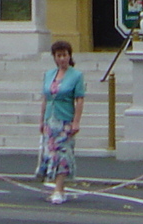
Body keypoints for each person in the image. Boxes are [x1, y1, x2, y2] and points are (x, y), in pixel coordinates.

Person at [37, 39, 85, 204]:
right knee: (52, 154)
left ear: (69, 56)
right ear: (54, 57)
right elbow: (45, 98)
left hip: (65, 120)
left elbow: (79, 99)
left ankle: (58, 189)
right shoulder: (49, 75)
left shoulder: (76, 75)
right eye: (59, 55)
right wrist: (42, 120)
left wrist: (76, 122)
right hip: (51, 119)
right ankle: (60, 188)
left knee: (62, 154)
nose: (62, 58)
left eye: (65, 55)